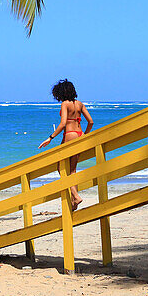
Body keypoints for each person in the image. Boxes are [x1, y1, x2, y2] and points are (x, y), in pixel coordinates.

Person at [38, 79, 93, 210]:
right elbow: (90, 122)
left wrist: (50, 138)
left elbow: (63, 124)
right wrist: (85, 134)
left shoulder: (65, 104)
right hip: (79, 134)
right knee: (73, 169)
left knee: (60, 168)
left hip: (69, 135)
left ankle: (76, 196)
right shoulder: (79, 104)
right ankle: (74, 201)